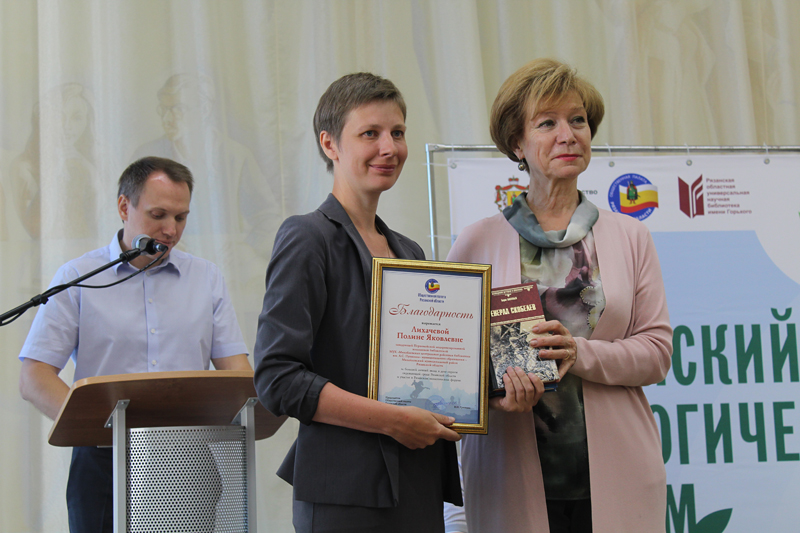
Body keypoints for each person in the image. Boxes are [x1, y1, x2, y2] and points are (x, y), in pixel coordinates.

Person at [446, 59, 672, 532]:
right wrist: (493, 397)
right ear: (517, 143)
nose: (568, 135)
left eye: (578, 120)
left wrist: (579, 353)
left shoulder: (631, 236)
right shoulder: (475, 243)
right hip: (507, 477)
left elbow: (656, 354)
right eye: (547, 123)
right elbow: (450, 370)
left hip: (621, 476)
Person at [253, 72, 462, 532]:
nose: (390, 148)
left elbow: (435, 372)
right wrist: (392, 421)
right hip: (345, 495)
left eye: (398, 133)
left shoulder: (410, 253)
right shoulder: (307, 238)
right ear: (330, 144)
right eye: (370, 133)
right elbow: (277, 378)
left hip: (419, 483)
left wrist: (502, 381)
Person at [18, 156, 259, 533]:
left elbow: (238, 376)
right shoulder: (78, 277)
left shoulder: (206, 278)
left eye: (181, 217)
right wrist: (98, 428)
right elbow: (34, 377)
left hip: (188, 462)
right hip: (103, 461)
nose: (171, 230)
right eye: (158, 215)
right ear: (123, 207)